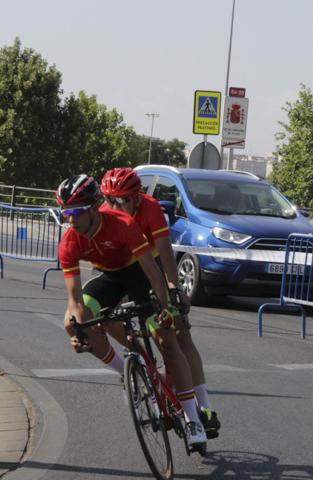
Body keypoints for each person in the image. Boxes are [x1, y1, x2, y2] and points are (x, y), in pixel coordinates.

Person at [57, 174, 207, 449]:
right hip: (109, 279)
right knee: (70, 322)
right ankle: (129, 374)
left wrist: (163, 306)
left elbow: (153, 272)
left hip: (138, 274)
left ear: (92, 208)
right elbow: (75, 300)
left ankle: (193, 416)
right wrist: (81, 331)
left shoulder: (123, 223)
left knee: (166, 339)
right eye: (65, 212)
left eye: (76, 212)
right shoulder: (69, 241)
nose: (71, 219)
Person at [100, 167, 220, 438]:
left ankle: (206, 407)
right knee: (107, 318)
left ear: (137, 198)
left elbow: (166, 256)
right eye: (109, 200)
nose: (115, 206)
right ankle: (140, 365)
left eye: (123, 200)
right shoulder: (104, 215)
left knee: (179, 333)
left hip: (152, 265)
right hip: (122, 270)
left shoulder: (150, 209)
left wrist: (174, 288)